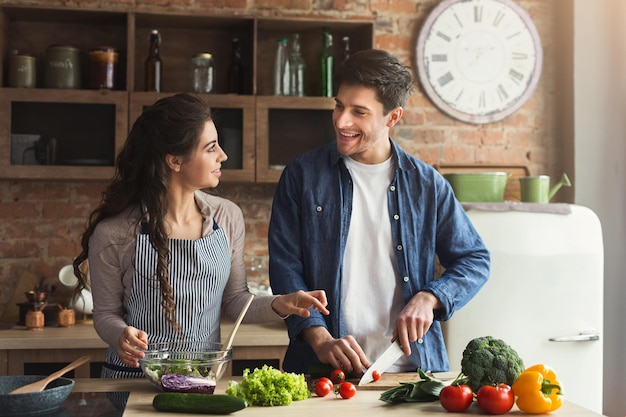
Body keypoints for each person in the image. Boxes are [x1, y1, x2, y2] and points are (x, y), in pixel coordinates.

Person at [72, 93, 328, 388]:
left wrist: (281, 303)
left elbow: (235, 301)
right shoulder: (115, 233)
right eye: (211, 148)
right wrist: (120, 334)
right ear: (175, 160)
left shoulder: (228, 217)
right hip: (132, 383)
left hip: (202, 382)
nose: (223, 155)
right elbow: (105, 314)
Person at [268, 49, 490, 376]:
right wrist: (320, 338)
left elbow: (474, 258)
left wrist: (430, 297)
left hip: (412, 374)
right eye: (339, 106)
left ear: (392, 117)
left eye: (359, 112)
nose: (342, 121)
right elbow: (286, 267)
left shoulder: (428, 185)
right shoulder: (302, 176)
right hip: (323, 372)